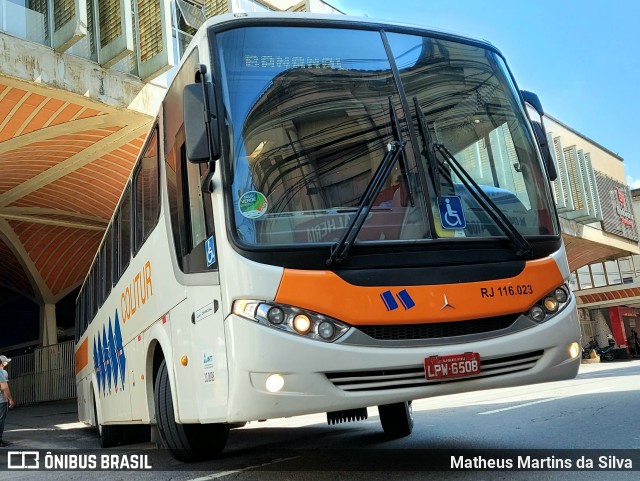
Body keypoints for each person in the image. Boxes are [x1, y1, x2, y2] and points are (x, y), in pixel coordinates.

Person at [0, 355, 15, 447]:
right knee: (1, 420)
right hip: (1, 401)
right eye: (5, 362)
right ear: (2, 363)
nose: (6, 363)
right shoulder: (2, 372)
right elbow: (4, 388)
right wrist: (10, 399)